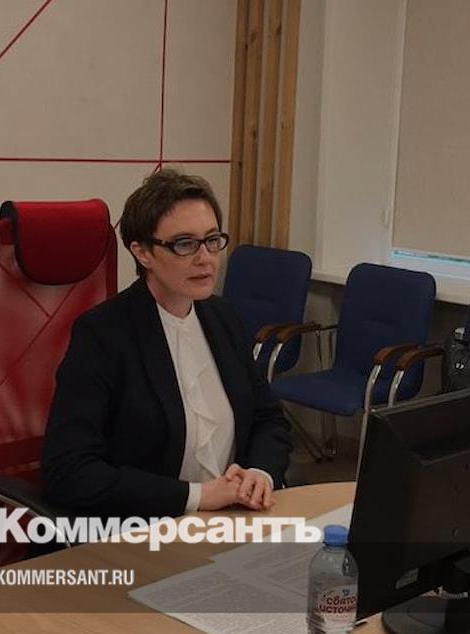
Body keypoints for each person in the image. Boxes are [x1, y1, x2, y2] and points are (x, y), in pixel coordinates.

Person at [42, 169, 291, 518]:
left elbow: (269, 418)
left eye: (212, 239)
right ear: (143, 252)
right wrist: (196, 496)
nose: (205, 258)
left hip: (231, 516)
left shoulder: (225, 319)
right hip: (146, 526)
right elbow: (69, 471)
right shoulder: (102, 334)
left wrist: (260, 473)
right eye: (184, 244)